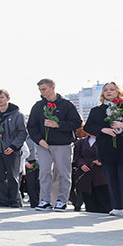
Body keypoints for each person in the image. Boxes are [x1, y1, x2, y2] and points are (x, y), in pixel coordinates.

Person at [27, 78, 82, 211]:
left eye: (44, 89)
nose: (42, 92)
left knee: (64, 173)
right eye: (40, 90)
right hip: (43, 145)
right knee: (44, 173)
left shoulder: (66, 104)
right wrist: (39, 140)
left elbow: (77, 122)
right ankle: (44, 200)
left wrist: (58, 125)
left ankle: (62, 201)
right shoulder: (38, 106)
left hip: (63, 145)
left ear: (53, 87)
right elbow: (31, 126)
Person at [83, 82, 123, 217]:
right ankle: (116, 207)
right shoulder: (96, 110)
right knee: (111, 179)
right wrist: (102, 130)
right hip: (106, 150)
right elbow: (88, 127)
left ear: (118, 91)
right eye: (106, 90)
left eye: (112, 89)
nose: (109, 92)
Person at [0, 90, 28, 208]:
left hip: (12, 150)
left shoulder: (18, 115)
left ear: (8, 98)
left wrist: (13, 146)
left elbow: (22, 132)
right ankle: (2, 199)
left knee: (13, 176)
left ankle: (15, 200)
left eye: (2, 97)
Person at [72, 126, 111, 214]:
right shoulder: (80, 142)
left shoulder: (105, 141)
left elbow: (110, 154)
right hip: (86, 174)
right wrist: (81, 164)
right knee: (90, 204)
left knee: (103, 200)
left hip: (101, 175)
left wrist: (102, 160)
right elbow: (77, 157)